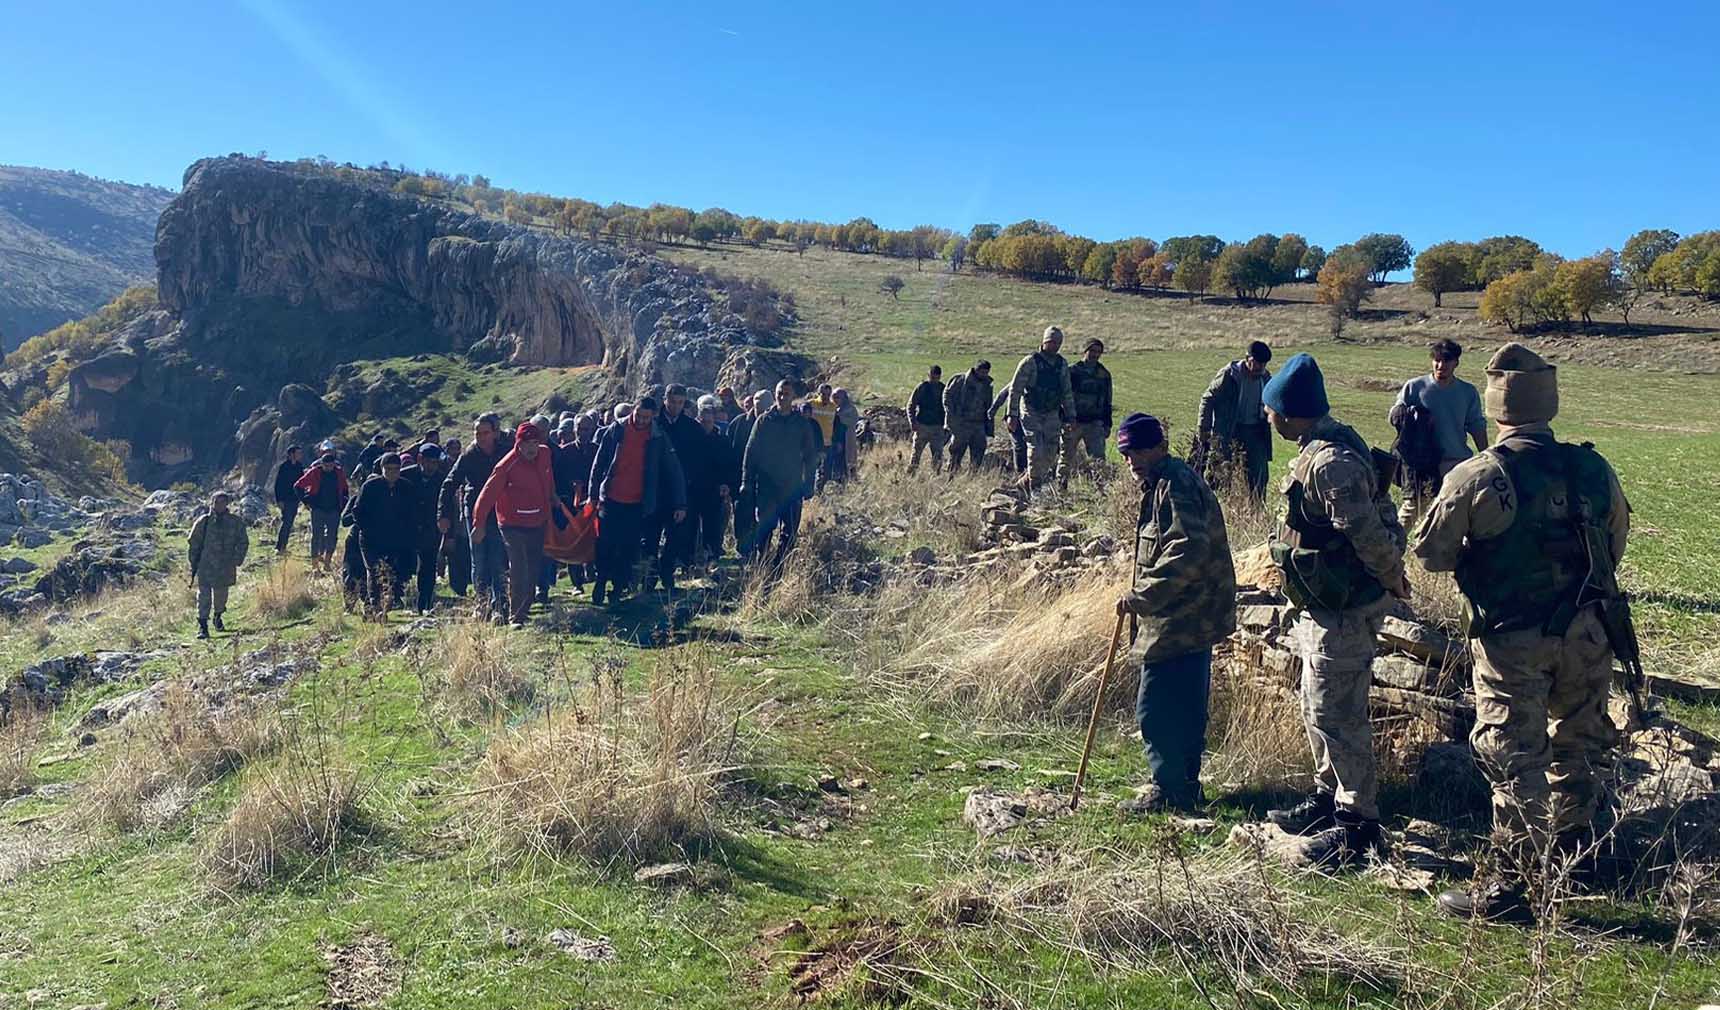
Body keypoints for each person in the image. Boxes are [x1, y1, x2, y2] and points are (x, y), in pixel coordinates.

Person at [1414, 343, 1630, 923]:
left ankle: (1510, 884)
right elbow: (1615, 545)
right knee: (1580, 739)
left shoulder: (1478, 474)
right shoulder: (1593, 467)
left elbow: (1431, 555)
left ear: (1495, 404)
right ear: (1549, 402)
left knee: (1512, 751)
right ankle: (1576, 852)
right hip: (1589, 631)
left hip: (1512, 638)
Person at [1261, 353, 1408, 869]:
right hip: (1322, 605)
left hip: (1343, 609)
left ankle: (1358, 826)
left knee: (1338, 714)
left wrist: (1393, 576)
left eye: (1271, 410)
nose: (1267, 418)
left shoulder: (1329, 461)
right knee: (1316, 707)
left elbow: (1365, 531)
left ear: (1290, 412)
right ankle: (1327, 800)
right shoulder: (1319, 449)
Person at [1112, 414, 1237, 813]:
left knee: (1157, 706)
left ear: (1158, 447)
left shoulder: (1176, 485)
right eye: (1127, 454)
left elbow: (1187, 550)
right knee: (1184, 704)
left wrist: (1141, 597)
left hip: (1182, 615)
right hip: (1189, 613)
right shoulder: (1165, 482)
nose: (1132, 461)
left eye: (1137, 451)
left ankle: (1168, 789)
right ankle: (1183, 785)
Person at [588, 396, 687, 605]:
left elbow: (674, 469)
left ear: (653, 417)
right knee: (605, 544)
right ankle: (600, 581)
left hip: (637, 503)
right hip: (611, 499)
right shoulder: (616, 431)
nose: (642, 421)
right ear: (634, 410)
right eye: (639, 416)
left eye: (647, 418)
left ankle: (617, 588)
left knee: (627, 547)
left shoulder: (658, 437)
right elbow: (599, 465)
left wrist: (680, 503)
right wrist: (593, 496)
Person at [1390, 338, 1489, 532]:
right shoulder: (1414, 387)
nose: (1440, 365)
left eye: (1446, 361)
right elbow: (1394, 415)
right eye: (1436, 360)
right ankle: (1390, 553)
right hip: (1423, 463)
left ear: (1456, 363)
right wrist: (1405, 414)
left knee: (1457, 515)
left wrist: (1486, 455)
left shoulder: (1467, 392)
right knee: (1411, 511)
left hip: (1457, 462)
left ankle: (1452, 558)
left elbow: (1476, 425)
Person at [471, 422, 560, 626]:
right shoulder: (506, 465)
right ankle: (516, 616)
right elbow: (486, 495)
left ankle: (525, 609)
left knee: (533, 566)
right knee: (519, 566)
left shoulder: (545, 454)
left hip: (537, 520)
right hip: (512, 523)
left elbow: (548, 476)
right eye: (526, 443)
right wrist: (479, 523)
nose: (531, 448)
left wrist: (552, 494)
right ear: (518, 444)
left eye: (535, 443)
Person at [742, 380, 820, 568]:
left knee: (790, 531)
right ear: (774, 394)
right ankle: (761, 565)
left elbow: (810, 455)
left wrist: (809, 483)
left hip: (792, 484)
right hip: (767, 485)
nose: (782, 397)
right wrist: (747, 480)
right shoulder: (764, 420)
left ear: (793, 397)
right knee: (765, 527)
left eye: (786, 393)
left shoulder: (801, 423)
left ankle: (780, 568)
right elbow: (751, 451)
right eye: (779, 393)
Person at [440, 413, 508, 619]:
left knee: (498, 559)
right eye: (477, 433)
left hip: (499, 510)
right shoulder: (469, 455)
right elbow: (450, 483)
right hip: (475, 512)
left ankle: (501, 605)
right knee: (479, 560)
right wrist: (443, 513)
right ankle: (482, 604)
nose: (481, 437)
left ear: (495, 433)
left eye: (485, 433)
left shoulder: (505, 451)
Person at [645, 384, 703, 595]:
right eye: (672, 402)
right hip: (655, 489)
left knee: (675, 535)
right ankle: (649, 576)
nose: (676, 407)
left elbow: (699, 461)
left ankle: (667, 572)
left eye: (680, 403)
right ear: (665, 401)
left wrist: (688, 488)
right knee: (651, 535)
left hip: (679, 491)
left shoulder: (691, 427)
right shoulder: (653, 424)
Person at [1198, 341, 1274, 501]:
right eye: (1257, 362)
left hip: (1255, 432)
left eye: (1264, 363)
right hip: (1228, 431)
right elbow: (1208, 398)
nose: (1261, 367)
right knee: (1221, 477)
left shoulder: (1266, 378)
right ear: (1247, 359)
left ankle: (1256, 516)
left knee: (1259, 478)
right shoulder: (1229, 375)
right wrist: (1204, 428)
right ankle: (1219, 510)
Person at [1006, 325, 1076, 492]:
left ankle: (1024, 484)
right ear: (1044, 342)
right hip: (1031, 411)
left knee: (1051, 452)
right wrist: (1012, 415)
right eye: (1052, 342)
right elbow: (1015, 389)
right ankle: (1034, 487)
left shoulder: (1061, 364)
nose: (1055, 346)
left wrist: (1071, 416)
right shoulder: (1030, 362)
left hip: (1052, 412)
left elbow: (1067, 392)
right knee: (1036, 450)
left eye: (1058, 343)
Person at [352, 452, 417, 618]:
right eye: (388, 469)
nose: (392, 473)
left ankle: (386, 605)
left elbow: (412, 514)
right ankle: (375, 608)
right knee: (374, 572)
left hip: (395, 540)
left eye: (396, 469)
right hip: (370, 539)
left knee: (391, 573)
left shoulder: (407, 488)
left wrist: (406, 535)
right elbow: (357, 512)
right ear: (382, 469)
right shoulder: (370, 487)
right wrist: (367, 529)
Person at [188, 490, 249, 639]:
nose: (220, 505)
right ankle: (202, 626)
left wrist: (236, 559)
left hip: (225, 565)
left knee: (221, 595)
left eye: (223, 502)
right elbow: (193, 542)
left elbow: (243, 542)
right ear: (212, 503)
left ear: (227, 503)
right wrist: (194, 562)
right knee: (204, 596)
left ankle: (218, 616)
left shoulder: (235, 522)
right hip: (206, 565)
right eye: (217, 502)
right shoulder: (204, 521)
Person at [399, 443, 447, 613]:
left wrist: (448, 533)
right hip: (406, 529)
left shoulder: (442, 480)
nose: (431, 466)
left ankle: (424, 604)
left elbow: (448, 507)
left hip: (430, 531)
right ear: (420, 459)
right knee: (402, 565)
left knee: (428, 568)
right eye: (428, 461)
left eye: (435, 462)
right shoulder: (405, 476)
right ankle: (396, 599)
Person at [293, 452, 350, 571]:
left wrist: (343, 504)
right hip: (318, 509)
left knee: (332, 536)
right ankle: (314, 565)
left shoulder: (339, 473)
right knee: (316, 536)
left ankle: (327, 563)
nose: (329, 468)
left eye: (331, 465)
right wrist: (306, 501)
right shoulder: (314, 472)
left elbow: (345, 489)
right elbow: (298, 486)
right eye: (326, 465)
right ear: (322, 464)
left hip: (334, 510)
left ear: (334, 464)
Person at [728, 391, 768, 556]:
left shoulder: (772, 424)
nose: (761, 410)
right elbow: (728, 452)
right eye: (758, 406)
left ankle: (760, 549)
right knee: (742, 513)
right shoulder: (738, 423)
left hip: (765, 480)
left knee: (763, 515)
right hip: (741, 477)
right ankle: (743, 548)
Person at [942, 360, 994, 476]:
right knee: (956, 452)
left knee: (979, 451)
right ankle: (951, 477)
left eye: (986, 372)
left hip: (978, 424)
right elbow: (947, 397)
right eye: (982, 372)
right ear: (976, 370)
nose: (984, 375)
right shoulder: (960, 380)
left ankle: (971, 478)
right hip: (962, 423)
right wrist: (952, 418)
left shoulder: (987, 384)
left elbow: (988, 404)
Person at [1068, 339, 1114, 463]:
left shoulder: (1104, 374)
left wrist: (1107, 423)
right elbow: (1064, 397)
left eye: (1099, 352)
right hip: (1073, 422)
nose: (1095, 355)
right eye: (1092, 351)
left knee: (1098, 461)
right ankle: (1062, 482)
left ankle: (1098, 482)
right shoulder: (1072, 371)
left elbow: (1107, 400)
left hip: (1095, 423)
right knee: (1066, 459)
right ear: (1085, 351)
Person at [906, 365, 947, 475]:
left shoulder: (944, 389)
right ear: (928, 375)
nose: (934, 380)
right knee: (915, 456)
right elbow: (911, 405)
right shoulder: (922, 387)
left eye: (936, 377)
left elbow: (949, 408)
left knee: (937, 457)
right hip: (922, 426)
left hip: (938, 428)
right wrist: (913, 422)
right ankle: (910, 477)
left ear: (940, 376)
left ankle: (936, 478)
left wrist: (947, 426)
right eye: (932, 377)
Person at [272, 444, 307, 555]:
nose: (300, 455)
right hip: (285, 499)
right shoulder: (284, 467)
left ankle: (283, 547)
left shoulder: (299, 466)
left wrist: (304, 498)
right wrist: (279, 500)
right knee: (286, 522)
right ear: (291, 454)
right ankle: (280, 547)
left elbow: (302, 483)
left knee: (289, 522)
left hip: (294, 499)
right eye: (298, 453)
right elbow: (278, 484)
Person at [988, 387, 1027, 475]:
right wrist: (992, 412)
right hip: (1014, 418)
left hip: (1031, 419)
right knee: (1019, 445)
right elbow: (1001, 395)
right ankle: (1020, 472)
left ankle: (1026, 470)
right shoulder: (1019, 380)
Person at [833, 387, 861, 481]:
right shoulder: (833, 408)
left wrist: (839, 417)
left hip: (848, 438)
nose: (836, 399)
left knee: (850, 460)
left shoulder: (850, 408)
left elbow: (854, 420)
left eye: (838, 397)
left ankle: (852, 479)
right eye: (835, 397)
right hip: (837, 439)